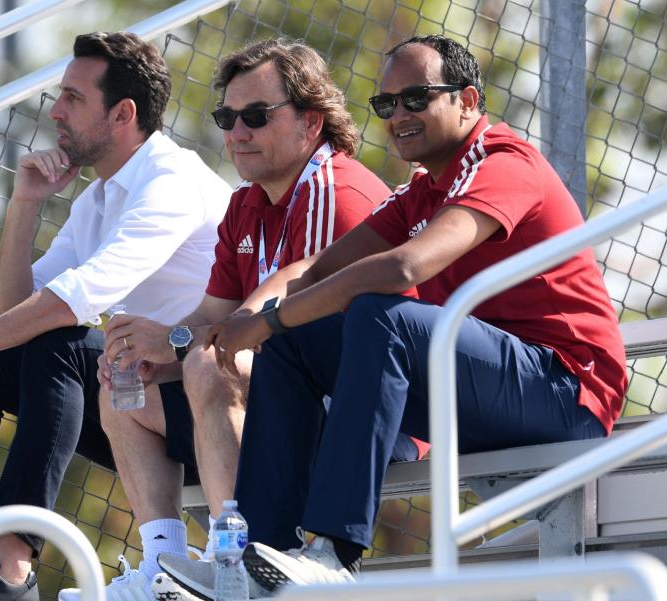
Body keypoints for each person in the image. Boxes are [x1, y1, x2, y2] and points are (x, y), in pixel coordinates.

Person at [186, 35, 628, 593]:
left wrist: (270, 319)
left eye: (416, 98)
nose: (398, 116)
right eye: (386, 104)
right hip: (483, 391)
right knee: (297, 340)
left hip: (564, 393)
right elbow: (318, 269)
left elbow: (403, 269)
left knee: (380, 312)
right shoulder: (423, 189)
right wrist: (260, 324)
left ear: (467, 101)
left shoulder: (504, 162)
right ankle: (257, 555)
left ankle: (333, 551)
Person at [0, 32, 230, 601]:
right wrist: (26, 202)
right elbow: (10, 313)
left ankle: (12, 565)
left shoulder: (171, 183)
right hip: (137, 398)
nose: (54, 110)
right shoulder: (101, 197)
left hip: (209, 405)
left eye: (72, 98)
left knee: (48, 342)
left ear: (123, 114)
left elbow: (73, 301)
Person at [62, 38, 425, 601]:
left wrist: (175, 343)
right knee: (123, 386)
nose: (236, 133)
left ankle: (237, 562)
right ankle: (165, 565)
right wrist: (155, 356)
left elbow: (298, 342)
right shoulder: (245, 205)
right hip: (277, 396)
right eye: (226, 117)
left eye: (255, 116)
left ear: (311, 123)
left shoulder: (337, 191)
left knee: (207, 367)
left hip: (363, 412)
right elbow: (215, 318)